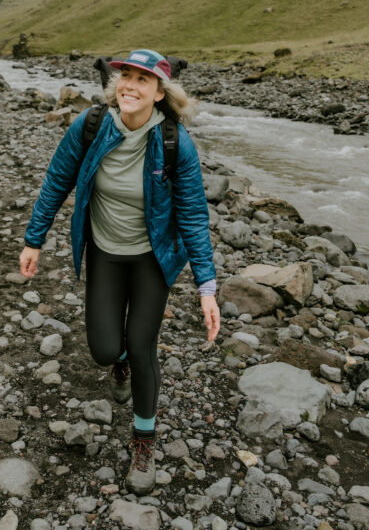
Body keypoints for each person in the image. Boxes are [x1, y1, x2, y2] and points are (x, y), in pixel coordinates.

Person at [19, 48, 220, 495]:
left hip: (153, 258)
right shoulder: (90, 126)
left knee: (143, 343)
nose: (129, 85)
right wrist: (34, 239)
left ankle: (143, 441)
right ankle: (119, 364)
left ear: (160, 92)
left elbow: (192, 214)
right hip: (105, 252)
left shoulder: (174, 142)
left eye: (142, 80)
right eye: (125, 76)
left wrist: (207, 286)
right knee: (106, 349)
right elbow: (58, 179)